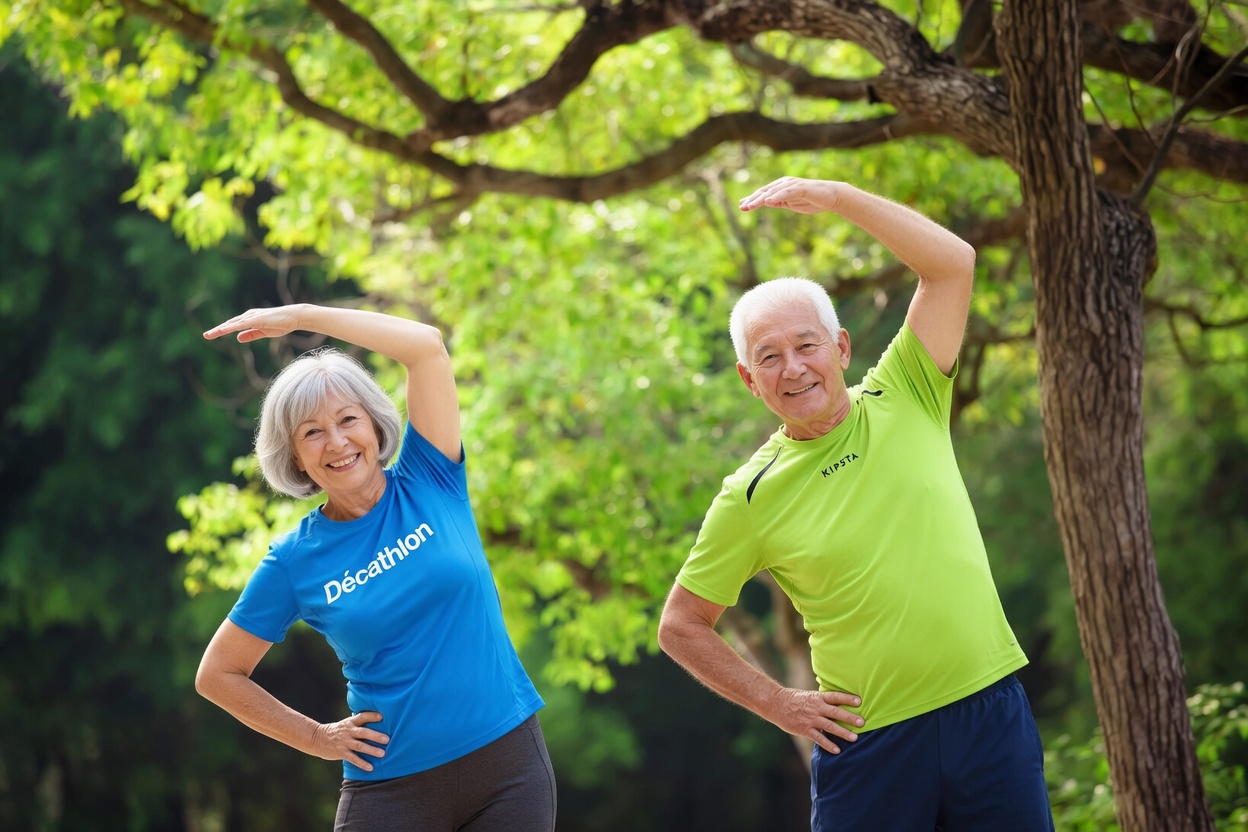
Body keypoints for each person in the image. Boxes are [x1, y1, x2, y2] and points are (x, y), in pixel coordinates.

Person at [657, 177, 1054, 831]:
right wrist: (780, 703)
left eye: (807, 345)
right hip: (869, 748)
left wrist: (837, 198)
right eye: (769, 357)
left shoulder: (908, 390)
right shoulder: (749, 495)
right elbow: (681, 625)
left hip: (989, 715)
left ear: (840, 348)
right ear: (748, 380)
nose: (793, 368)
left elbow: (952, 266)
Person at [196, 304, 556, 831]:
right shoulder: (295, 560)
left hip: (507, 767)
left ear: (373, 424)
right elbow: (218, 675)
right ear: (296, 457)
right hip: (391, 787)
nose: (337, 442)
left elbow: (426, 347)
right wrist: (317, 738)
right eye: (312, 433)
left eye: (347, 420)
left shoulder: (430, 474)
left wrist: (300, 316)